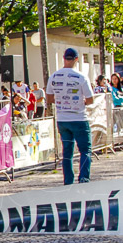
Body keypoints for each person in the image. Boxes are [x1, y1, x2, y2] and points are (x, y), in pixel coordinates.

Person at [46, 48, 95, 185]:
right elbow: (91, 100)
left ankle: (68, 181)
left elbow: (49, 99)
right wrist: (79, 102)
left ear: (63, 58)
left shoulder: (54, 76)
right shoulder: (81, 77)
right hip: (79, 118)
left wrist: (62, 102)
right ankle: (84, 179)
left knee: (67, 152)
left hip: (62, 119)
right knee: (85, 150)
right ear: (76, 59)